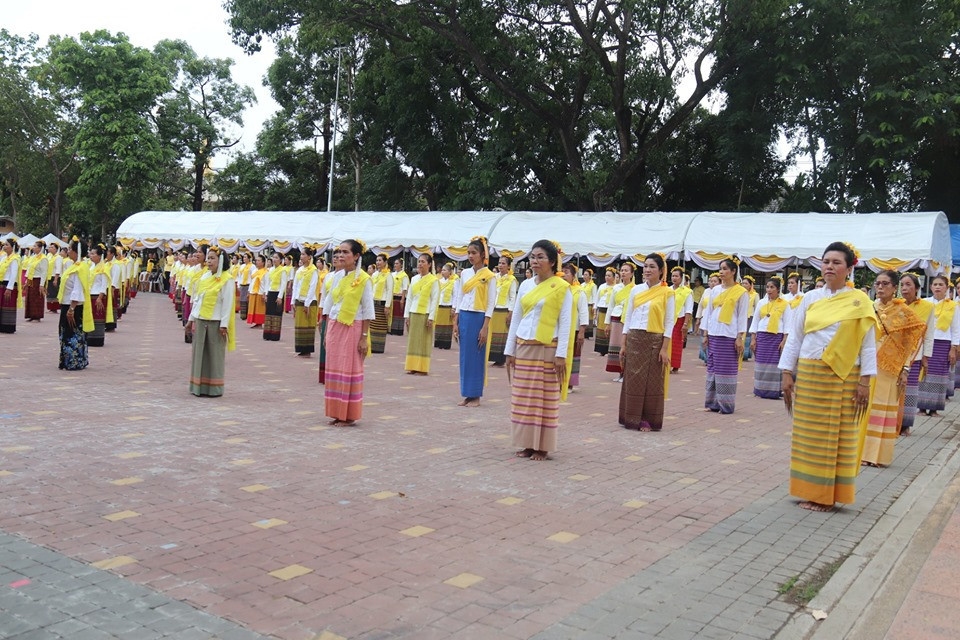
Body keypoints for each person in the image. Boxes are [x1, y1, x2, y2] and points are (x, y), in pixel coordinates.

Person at [779, 242, 877, 512]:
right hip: (810, 376)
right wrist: (787, 372)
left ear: (849, 268)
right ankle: (807, 490)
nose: (829, 267)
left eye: (836, 262)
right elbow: (795, 337)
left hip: (843, 376)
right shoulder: (810, 298)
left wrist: (865, 381)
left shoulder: (860, 301)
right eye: (826, 262)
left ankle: (826, 496)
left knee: (835, 436)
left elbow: (868, 345)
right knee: (808, 436)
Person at [505, 240, 572, 461]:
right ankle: (526, 443)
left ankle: (542, 446)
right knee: (523, 397)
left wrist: (561, 354)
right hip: (524, 346)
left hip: (547, 348)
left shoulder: (562, 288)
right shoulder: (525, 285)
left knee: (543, 398)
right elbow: (516, 318)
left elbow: (565, 323)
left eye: (540, 257)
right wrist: (510, 350)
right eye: (533, 256)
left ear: (553, 262)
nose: (535, 261)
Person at [861, 270, 926, 467]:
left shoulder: (903, 312)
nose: (880, 287)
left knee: (883, 410)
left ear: (894, 287)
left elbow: (912, 343)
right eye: (877, 283)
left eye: (885, 284)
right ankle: (863, 454)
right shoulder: (869, 307)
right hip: (869, 363)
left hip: (890, 368)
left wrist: (905, 368)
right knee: (868, 409)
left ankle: (879, 457)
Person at [619, 254, 674, 431]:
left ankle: (647, 419)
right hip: (635, 338)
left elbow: (669, 322)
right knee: (633, 379)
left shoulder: (667, 293)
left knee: (651, 382)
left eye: (652, 267)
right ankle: (630, 416)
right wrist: (623, 343)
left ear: (661, 271)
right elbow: (628, 317)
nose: (648, 270)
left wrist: (664, 348)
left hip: (654, 340)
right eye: (645, 266)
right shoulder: (636, 290)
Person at [322, 239, 374, 426]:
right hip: (335, 326)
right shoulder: (336, 276)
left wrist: (364, 338)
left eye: (346, 252)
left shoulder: (364, 280)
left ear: (357, 256)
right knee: (334, 369)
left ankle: (349, 415)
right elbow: (329, 305)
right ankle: (336, 412)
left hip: (353, 327)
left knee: (349, 369)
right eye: (339, 251)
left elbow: (368, 310)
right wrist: (327, 331)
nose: (341, 255)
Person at [452, 236, 496, 407]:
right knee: (464, 357)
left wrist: (485, 326)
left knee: (477, 355)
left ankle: (476, 395)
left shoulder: (490, 276)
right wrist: (456, 320)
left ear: (482, 254)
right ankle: (466, 394)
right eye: (468, 253)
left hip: (479, 318)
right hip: (464, 316)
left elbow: (491, 303)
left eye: (474, 253)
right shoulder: (464, 273)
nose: (471, 256)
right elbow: (459, 297)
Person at [186, 249, 236, 397]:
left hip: (216, 323)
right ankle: (197, 387)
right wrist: (190, 320)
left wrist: (224, 325)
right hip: (201, 320)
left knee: (215, 356)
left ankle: (214, 389)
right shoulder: (205, 277)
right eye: (208, 258)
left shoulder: (227, 279)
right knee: (199, 355)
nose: (209, 261)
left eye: (212, 258)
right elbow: (197, 300)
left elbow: (227, 304)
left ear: (220, 261)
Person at [703, 259, 749, 414]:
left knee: (726, 369)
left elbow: (742, 317)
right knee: (713, 368)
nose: (721, 272)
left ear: (733, 271)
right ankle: (713, 403)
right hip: (714, 332)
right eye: (720, 269)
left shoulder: (741, 292)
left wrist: (739, 337)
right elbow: (708, 313)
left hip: (729, 335)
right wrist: (705, 333)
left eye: (724, 269)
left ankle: (726, 405)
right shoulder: (715, 290)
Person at [918, 274, 959, 416]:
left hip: (943, 343)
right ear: (930, 287)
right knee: (924, 373)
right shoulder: (924, 303)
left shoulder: (953, 306)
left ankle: (934, 408)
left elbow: (956, 328)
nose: (937, 287)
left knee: (939, 376)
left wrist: (953, 348)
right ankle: (922, 407)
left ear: (947, 288)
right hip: (926, 342)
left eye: (941, 285)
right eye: (935, 284)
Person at [900, 273, 934, 436]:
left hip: (915, 354)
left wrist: (926, 356)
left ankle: (905, 424)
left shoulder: (927, 308)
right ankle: (893, 422)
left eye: (908, 285)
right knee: (895, 390)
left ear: (917, 289)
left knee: (910, 390)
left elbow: (929, 333)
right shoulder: (896, 305)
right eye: (902, 285)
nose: (904, 288)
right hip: (895, 354)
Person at [55, 238, 92, 370]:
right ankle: (67, 360)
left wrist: (71, 308)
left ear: (77, 251)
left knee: (73, 333)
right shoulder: (72, 266)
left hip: (73, 306)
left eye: (70, 249)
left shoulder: (81, 268)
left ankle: (74, 361)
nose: (68, 251)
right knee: (65, 332)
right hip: (66, 304)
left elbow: (77, 289)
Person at [749, 276, 789, 399]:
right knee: (760, 363)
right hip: (762, 336)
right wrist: (753, 338)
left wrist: (784, 340)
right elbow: (755, 322)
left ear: (778, 289)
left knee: (774, 364)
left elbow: (788, 324)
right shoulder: (761, 302)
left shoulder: (784, 304)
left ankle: (773, 391)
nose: (769, 290)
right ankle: (760, 389)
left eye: (772, 287)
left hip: (776, 337)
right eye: (767, 287)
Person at [404, 253, 440, 374]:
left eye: (423, 262)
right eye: (419, 261)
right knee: (413, 341)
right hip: (413, 312)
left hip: (425, 313)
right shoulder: (414, 279)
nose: (420, 264)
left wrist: (431, 317)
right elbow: (409, 298)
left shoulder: (434, 280)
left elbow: (435, 300)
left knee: (424, 341)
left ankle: (422, 368)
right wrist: (407, 315)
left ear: (429, 264)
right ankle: (412, 366)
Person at [606, 262, 635, 381]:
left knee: (626, 345)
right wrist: (607, 323)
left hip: (628, 319)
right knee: (616, 345)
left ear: (632, 273)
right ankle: (619, 371)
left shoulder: (635, 288)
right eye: (622, 270)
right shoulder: (616, 288)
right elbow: (611, 305)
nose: (623, 273)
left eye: (626, 270)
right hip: (616, 317)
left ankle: (626, 372)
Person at [561, 263, 588, 389]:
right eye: (562, 272)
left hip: (574, 329)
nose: (563, 275)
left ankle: (570, 383)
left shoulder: (579, 292)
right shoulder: (559, 289)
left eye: (566, 273)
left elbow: (583, 312)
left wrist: (582, 331)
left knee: (573, 355)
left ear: (573, 276)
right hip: (560, 329)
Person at [490, 256, 518, 367]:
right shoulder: (494, 277)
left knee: (502, 335)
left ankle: (501, 358)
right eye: (499, 263)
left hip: (504, 310)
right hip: (494, 309)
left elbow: (512, 297)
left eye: (503, 263)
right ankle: (493, 357)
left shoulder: (512, 280)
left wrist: (510, 312)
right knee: (493, 334)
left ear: (508, 266)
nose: (500, 265)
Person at [318, 249, 340, 385]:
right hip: (327, 313)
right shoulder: (329, 276)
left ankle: (336, 374)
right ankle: (324, 374)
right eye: (335, 257)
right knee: (325, 343)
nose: (336, 259)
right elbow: (324, 297)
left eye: (339, 257)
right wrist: (321, 315)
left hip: (339, 315)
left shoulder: (347, 277)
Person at [292, 248, 320, 356]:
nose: (301, 256)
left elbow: (312, 287)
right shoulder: (299, 270)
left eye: (303, 254)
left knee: (308, 326)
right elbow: (295, 285)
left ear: (309, 257)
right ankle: (301, 349)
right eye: (301, 254)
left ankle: (307, 350)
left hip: (309, 301)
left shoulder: (313, 270)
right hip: (299, 300)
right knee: (300, 326)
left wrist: (307, 303)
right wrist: (293, 301)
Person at [87, 244, 114, 348]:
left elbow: (104, 283)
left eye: (93, 254)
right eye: (91, 253)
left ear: (99, 256)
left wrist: (100, 297)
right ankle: (89, 337)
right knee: (90, 316)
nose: (91, 255)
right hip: (90, 294)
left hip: (98, 295)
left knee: (98, 317)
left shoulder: (103, 267)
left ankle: (97, 338)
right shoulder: (91, 266)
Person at [669, 266, 693, 373]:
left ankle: (675, 365)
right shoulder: (668, 289)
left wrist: (685, 323)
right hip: (668, 319)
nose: (674, 278)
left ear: (681, 277)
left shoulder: (687, 292)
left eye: (676, 276)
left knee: (676, 343)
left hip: (679, 319)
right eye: (673, 276)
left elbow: (688, 309)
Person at [370, 253, 393, 353]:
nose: (378, 262)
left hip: (382, 303)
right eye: (377, 260)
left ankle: (378, 347)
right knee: (372, 325)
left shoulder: (388, 275)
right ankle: (371, 346)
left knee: (380, 326)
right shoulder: (374, 274)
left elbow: (389, 290)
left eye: (380, 260)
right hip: (373, 302)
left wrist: (387, 306)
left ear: (385, 262)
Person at [263, 253, 288, 341]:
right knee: (269, 313)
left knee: (276, 314)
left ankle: (275, 335)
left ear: (281, 260)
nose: (274, 259)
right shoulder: (270, 270)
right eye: (273, 257)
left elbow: (283, 284)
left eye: (276, 258)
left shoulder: (283, 270)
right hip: (270, 293)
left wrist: (280, 296)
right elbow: (267, 283)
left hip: (278, 293)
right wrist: (266, 294)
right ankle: (267, 334)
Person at [0, 238, 23, 333]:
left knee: (8, 305)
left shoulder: (15, 259)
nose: (4, 247)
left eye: (7, 245)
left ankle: (8, 327)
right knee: (1, 304)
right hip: (2, 283)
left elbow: (14, 274)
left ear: (12, 247)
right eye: (4, 245)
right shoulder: (4, 257)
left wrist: (9, 288)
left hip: (10, 284)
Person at [24, 241, 49, 322]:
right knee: (30, 298)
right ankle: (31, 315)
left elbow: (44, 272)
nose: (33, 248)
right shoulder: (33, 257)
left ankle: (37, 316)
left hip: (38, 280)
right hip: (31, 280)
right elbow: (29, 269)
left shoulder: (43, 258)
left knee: (37, 298)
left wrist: (42, 285)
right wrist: (26, 281)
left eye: (35, 246)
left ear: (40, 248)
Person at [434, 262, 456, 349]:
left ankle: (445, 344)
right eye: (442, 270)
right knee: (439, 325)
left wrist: (453, 308)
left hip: (448, 306)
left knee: (447, 326)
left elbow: (455, 296)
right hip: (439, 306)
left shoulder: (454, 282)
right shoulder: (438, 281)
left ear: (450, 272)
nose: (442, 272)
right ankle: (438, 342)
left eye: (444, 270)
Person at [594, 267, 615, 356]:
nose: (607, 277)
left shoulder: (615, 287)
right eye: (606, 275)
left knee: (609, 330)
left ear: (614, 277)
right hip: (601, 310)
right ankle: (601, 349)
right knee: (600, 330)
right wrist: (595, 311)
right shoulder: (602, 286)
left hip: (610, 310)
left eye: (609, 276)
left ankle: (608, 349)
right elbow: (597, 299)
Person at [741, 275, 759, 361]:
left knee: (748, 335)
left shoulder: (755, 295)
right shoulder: (739, 293)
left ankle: (746, 353)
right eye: (743, 283)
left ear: (750, 285)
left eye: (746, 283)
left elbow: (757, 307)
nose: (744, 285)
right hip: (741, 316)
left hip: (750, 316)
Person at [246, 255, 268, 328]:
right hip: (253, 291)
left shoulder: (265, 272)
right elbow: (252, 281)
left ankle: (259, 323)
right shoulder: (254, 270)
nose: (257, 262)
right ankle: (255, 322)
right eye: (256, 260)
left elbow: (266, 283)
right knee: (253, 308)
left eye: (259, 260)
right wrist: (249, 291)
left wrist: (265, 293)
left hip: (260, 292)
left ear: (263, 262)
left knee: (259, 309)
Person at [390, 257, 409, 335]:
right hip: (392, 296)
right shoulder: (392, 274)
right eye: (395, 263)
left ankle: (398, 330)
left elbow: (404, 288)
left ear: (401, 265)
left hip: (399, 297)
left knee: (398, 314)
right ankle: (391, 329)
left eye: (397, 263)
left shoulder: (404, 275)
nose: (395, 265)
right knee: (392, 313)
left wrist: (402, 299)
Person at [45, 243, 63, 313]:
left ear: (56, 249)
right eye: (49, 247)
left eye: (52, 247)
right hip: (49, 276)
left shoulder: (58, 257)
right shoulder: (49, 256)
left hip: (55, 277)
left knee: (54, 292)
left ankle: (54, 308)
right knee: (50, 293)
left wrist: (56, 279)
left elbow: (58, 269)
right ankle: (50, 307)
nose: (49, 248)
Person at [236, 252, 254, 320]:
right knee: (242, 300)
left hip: (248, 285)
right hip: (242, 285)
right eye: (243, 257)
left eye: (245, 257)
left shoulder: (252, 266)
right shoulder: (242, 266)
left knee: (247, 300)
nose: (244, 258)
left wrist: (251, 287)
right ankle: (243, 315)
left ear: (249, 258)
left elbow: (253, 277)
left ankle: (248, 315)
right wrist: (238, 284)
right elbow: (239, 276)